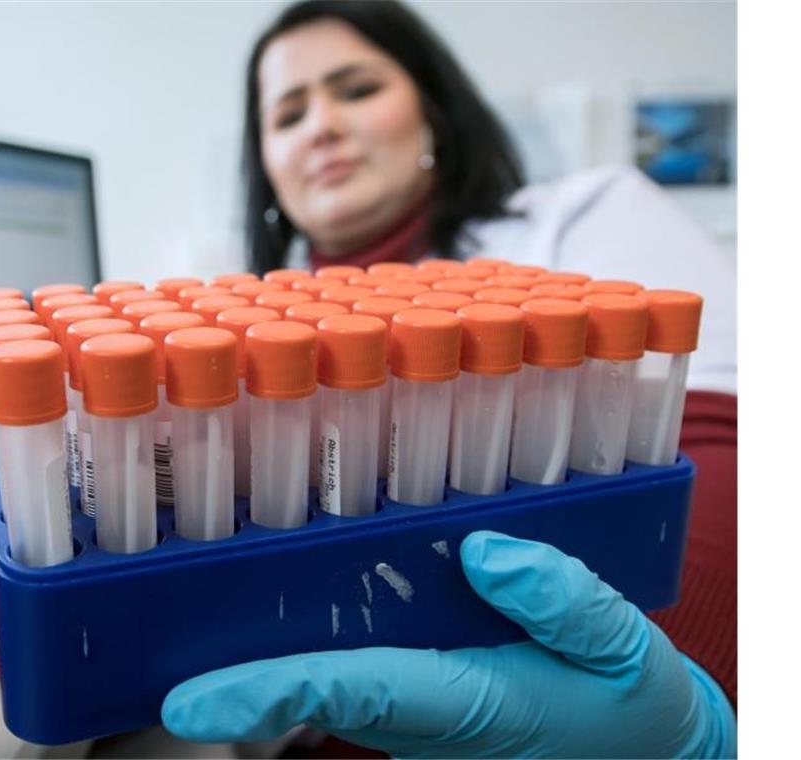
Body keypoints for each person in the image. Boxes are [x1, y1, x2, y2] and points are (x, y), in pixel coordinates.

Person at [161, 2, 737, 757]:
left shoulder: (582, 218)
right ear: (264, 162)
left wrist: (672, 703)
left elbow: (725, 460)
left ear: (433, 108)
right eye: (288, 114)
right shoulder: (227, 325)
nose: (322, 125)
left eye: (357, 89)